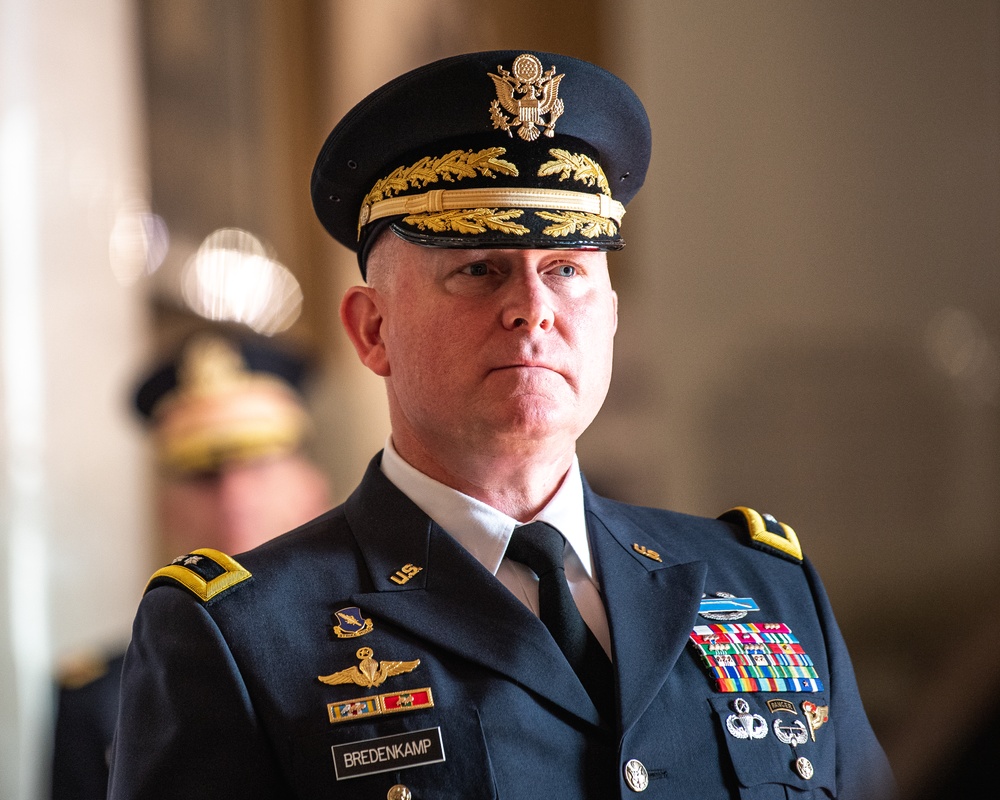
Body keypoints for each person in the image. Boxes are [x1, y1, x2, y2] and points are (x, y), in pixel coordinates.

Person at [108, 50, 895, 799]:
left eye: (567, 270)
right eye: (477, 269)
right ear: (372, 330)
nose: (533, 309)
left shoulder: (766, 587)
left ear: (611, 317)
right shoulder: (243, 638)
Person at [50, 332, 330, 800]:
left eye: (258, 464)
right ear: (165, 507)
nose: (234, 499)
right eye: (204, 475)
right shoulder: (99, 701)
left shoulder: (387, 658)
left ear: (312, 485)